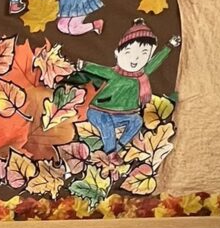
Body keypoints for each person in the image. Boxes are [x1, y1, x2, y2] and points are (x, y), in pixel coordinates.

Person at [77, 19, 181, 153]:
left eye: (143, 54)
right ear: (118, 53)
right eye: (129, 52)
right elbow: (98, 69)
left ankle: (117, 149)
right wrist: (84, 65)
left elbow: (157, 60)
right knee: (107, 126)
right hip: (99, 111)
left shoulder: (143, 74)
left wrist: (169, 46)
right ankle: (110, 152)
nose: (135, 59)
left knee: (137, 121)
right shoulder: (114, 73)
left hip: (124, 114)